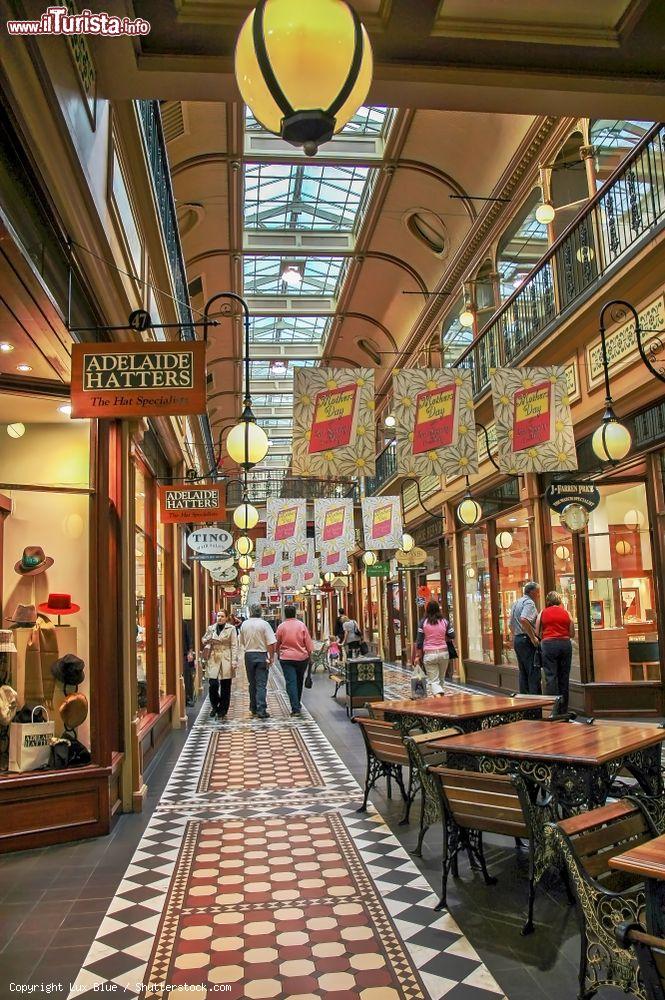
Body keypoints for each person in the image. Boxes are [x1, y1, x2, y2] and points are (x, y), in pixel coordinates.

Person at [536, 591, 574, 712]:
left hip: (548, 644)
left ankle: (553, 708)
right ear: (560, 601)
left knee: (551, 677)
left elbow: (537, 631)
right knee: (564, 677)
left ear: (548, 601)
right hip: (565, 644)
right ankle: (564, 709)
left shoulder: (543, 612)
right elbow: (572, 632)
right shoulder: (566, 613)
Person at [239, 604, 276, 720]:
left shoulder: (244, 624)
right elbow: (270, 642)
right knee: (261, 684)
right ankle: (261, 709)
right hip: (261, 655)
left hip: (249, 655)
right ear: (260, 612)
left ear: (250, 612)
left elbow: (242, 641)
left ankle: (253, 708)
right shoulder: (264, 624)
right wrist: (271, 657)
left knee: (252, 683)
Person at [275, 606, 313, 718]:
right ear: (295, 613)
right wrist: (310, 655)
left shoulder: (281, 627)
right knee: (299, 680)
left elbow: (278, 642)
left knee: (291, 682)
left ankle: (295, 707)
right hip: (302, 658)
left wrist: (278, 653)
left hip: (286, 658)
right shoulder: (301, 625)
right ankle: (297, 703)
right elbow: (308, 642)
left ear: (285, 614)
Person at [202, 610, 239, 720]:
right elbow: (204, 639)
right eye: (218, 616)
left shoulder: (231, 629)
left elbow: (234, 645)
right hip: (213, 657)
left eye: (222, 616)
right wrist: (206, 640)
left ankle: (223, 709)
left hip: (226, 657)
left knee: (225, 685)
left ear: (227, 618)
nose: (220, 618)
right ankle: (215, 705)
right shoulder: (211, 628)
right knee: (213, 684)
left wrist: (234, 660)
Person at [415, 600, 454, 695]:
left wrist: (417, 656)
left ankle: (439, 697)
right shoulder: (445, 621)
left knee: (434, 681)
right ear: (438, 609)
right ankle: (439, 700)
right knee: (441, 680)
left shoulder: (423, 622)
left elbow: (419, 641)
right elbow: (452, 634)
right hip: (444, 654)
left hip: (430, 655)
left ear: (427, 610)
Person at [510, 581, 542, 694]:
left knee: (523, 672)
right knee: (533, 672)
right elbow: (524, 619)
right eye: (538, 592)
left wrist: (516, 636)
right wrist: (533, 637)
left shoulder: (516, 602)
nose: (539, 595)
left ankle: (524, 702)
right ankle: (536, 703)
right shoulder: (529, 603)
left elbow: (510, 624)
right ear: (532, 592)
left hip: (518, 639)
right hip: (526, 640)